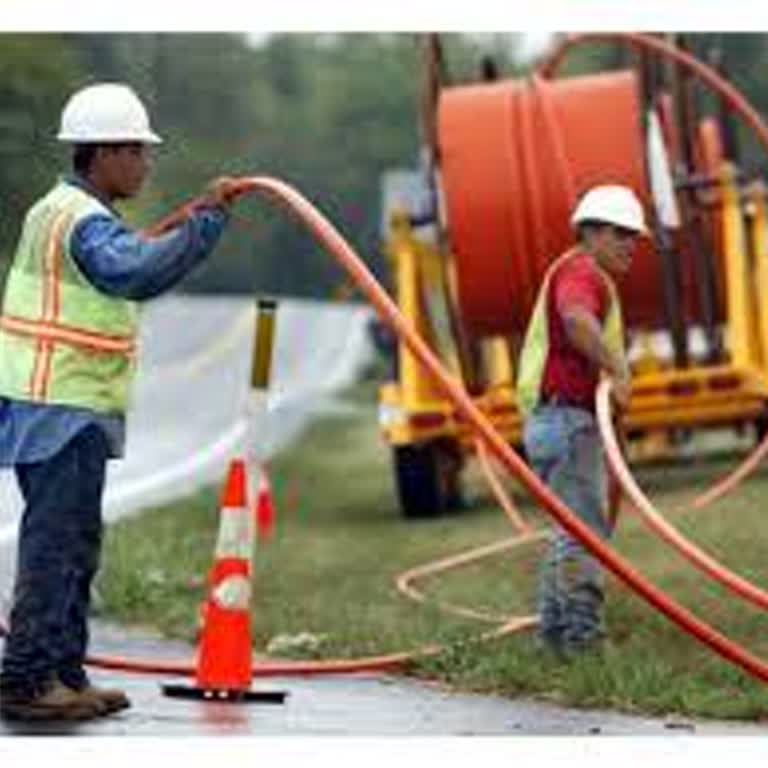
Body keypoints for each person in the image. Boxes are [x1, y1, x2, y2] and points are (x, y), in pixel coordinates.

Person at [0, 82, 238, 721]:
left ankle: (64, 676)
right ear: (101, 153)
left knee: (76, 543)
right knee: (55, 545)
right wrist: (208, 224)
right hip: (59, 406)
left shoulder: (65, 212)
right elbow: (135, 271)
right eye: (136, 150)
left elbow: (133, 254)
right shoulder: (81, 223)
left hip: (65, 406)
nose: (144, 162)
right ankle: (25, 681)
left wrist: (188, 223)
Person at [516, 184, 647, 656]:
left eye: (634, 235)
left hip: (555, 420)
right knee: (582, 535)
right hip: (567, 421)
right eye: (620, 233)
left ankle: (552, 644)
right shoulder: (581, 272)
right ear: (588, 232)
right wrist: (618, 367)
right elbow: (575, 321)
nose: (630, 243)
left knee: (567, 532)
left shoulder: (579, 271)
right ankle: (583, 641)